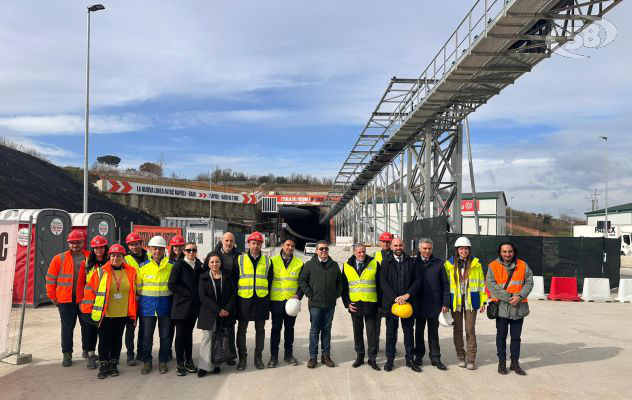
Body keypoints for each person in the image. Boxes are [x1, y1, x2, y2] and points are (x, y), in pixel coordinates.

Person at [81, 244, 138, 379]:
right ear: (109, 257)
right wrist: (87, 311)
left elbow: (134, 293)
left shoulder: (132, 272)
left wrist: (132, 313)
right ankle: (103, 365)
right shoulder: (101, 272)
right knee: (104, 340)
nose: (115, 258)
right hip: (105, 314)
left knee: (117, 340)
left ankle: (113, 364)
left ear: (123, 257)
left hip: (122, 313)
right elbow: (89, 292)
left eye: (119, 255)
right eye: (113, 255)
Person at [487, 242, 533, 376]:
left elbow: (529, 282)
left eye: (510, 251)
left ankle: (515, 363)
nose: (507, 254)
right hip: (501, 308)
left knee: (516, 337)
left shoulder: (523, 265)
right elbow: (491, 285)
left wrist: (519, 296)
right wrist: (510, 297)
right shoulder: (493, 266)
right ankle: (502, 363)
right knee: (501, 337)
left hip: (519, 308)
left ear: (514, 252)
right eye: (504, 251)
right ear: (500, 252)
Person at [46, 229, 90, 367]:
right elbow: (50, 279)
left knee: (87, 326)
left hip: (85, 299)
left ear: (83, 242)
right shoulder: (59, 258)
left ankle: (87, 350)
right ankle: (67, 354)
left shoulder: (90, 256)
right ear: (68, 243)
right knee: (67, 327)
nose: (75, 245)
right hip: (66, 300)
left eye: (78, 242)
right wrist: (52, 296)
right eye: (72, 243)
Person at [444, 237, 487, 370]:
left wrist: (483, 300)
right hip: (455, 301)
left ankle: (471, 359)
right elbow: (445, 285)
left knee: (470, 330)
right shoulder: (449, 265)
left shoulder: (476, 264)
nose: (464, 251)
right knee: (457, 330)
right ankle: (460, 357)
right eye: (461, 248)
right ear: (457, 250)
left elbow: (481, 283)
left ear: (469, 250)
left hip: (471, 300)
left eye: (466, 248)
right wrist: (445, 302)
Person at [380, 237, 422, 372]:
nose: (398, 248)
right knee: (391, 333)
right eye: (395, 246)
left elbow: (417, 281)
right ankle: (390, 360)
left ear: (403, 246)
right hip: (392, 304)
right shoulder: (385, 263)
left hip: (408, 303)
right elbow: (383, 282)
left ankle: (410, 359)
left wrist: (407, 295)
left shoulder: (412, 262)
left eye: (400, 245)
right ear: (391, 247)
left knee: (409, 332)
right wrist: (394, 298)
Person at [299, 240, 342, 369]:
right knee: (314, 331)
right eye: (321, 249)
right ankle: (313, 357)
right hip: (315, 304)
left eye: (326, 249)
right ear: (316, 250)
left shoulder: (334, 265)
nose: (324, 251)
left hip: (330, 304)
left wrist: (337, 293)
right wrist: (309, 294)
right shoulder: (309, 265)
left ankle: (326, 356)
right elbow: (302, 280)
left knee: (327, 330)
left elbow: (340, 281)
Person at [234, 231, 273, 371]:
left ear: (262, 244)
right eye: (253, 243)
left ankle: (258, 357)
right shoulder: (239, 260)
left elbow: (270, 281)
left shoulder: (268, 261)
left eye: (258, 243)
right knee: (241, 331)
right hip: (244, 300)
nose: (255, 246)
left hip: (261, 300)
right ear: (248, 244)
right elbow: (234, 280)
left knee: (260, 331)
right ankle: (242, 358)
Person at [137, 235, 174, 374]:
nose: (157, 251)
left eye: (160, 249)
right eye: (154, 249)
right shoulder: (142, 267)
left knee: (165, 336)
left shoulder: (171, 266)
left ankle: (163, 361)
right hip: (148, 308)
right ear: (149, 250)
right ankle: (147, 362)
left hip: (165, 307)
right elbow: (138, 288)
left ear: (164, 249)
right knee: (147, 337)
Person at [342, 243, 381, 371]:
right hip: (355, 305)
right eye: (359, 252)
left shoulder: (374, 263)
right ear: (354, 252)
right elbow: (344, 287)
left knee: (372, 333)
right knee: (357, 332)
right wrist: (347, 303)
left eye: (363, 251)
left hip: (371, 304)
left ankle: (372, 358)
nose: (362, 254)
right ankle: (360, 357)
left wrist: (380, 305)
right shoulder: (347, 266)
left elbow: (380, 286)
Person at [197, 252, 236, 377]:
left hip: (224, 314)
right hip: (209, 313)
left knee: (219, 339)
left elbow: (232, 295)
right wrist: (218, 309)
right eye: (212, 262)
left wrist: (226, 309)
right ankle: (203, 366)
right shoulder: (203, 277)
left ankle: (216, 364)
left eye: (217, 262)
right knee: (207, 339)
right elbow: (203, 297)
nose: (214, 264)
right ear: (208, 263)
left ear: (221, 263)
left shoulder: (228, 277)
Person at [413, 238, 450, 370]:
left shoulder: (439, 263)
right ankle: (418, 356)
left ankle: (435, 358)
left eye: (429, 249)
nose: (427, 251)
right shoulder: (413, 263)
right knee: (419, 332)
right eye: (424, 248)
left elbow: (445, 285)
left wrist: (445, 303)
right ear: (419, 249)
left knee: (433, 333)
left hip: (435, 305)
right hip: (418, 304)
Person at [268, 237, 303, 367]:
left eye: (292, 246)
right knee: (276, 329)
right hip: (276, 301)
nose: (290, 247)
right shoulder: (273, 261)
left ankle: (288, 355)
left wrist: (298, 295)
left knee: (289, 329)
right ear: (282, 245)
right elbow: (269, 281)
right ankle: (274, 356)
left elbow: (302, 283)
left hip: (292, 303)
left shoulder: (299, 263)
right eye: (287, 245)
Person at [168, 242, 202, 376]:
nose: (191, 252)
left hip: (193, 308)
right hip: (181, 307)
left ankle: (189, 361)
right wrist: (187, 293)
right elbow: (172, 284)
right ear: (184, 252)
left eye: (194, 250)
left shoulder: (199, 266)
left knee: (189, 335)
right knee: (181, 336)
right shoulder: (179, 265)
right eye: (189, 250)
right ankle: (180, 363)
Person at [82, 235, 109, 370]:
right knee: (90, 331)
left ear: (105, 247)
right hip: (90, 302)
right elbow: (82, 282)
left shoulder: (111, 261)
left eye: (101, 247)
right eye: (96, 247)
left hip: (106, 303)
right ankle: (91, 355)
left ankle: (105, 355)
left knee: (104, 331)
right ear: (92, 249)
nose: (99, 250)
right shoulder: (87, 263)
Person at [213, 232, 241, 366]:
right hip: (216, 297)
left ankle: (229, 354)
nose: (229, 243)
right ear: (221, 241)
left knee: (230, 328)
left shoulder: (239, 256)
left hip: (232, 297)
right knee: (216, 328)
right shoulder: (213, 254)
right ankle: (215, 354)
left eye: (231, 241)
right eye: (226, 240)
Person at [123, 232, 148, 366]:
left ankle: (141, 352)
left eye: (136, 244)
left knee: (144, 328)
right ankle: (130, 354)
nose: (134, 247)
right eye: (131, 245)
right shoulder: (125, 259)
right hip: (131, 299)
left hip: (146, 298)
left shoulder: (150, 256)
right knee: (130, 328)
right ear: (128, 246)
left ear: (141, 243)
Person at [167, 234, 186, 361]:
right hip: (169, 298)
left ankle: (181, 351)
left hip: (182, 300)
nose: (178, 248)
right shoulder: (167, 262)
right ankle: (168, 351)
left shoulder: (187, 261)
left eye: (180, 246)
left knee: (181, 329)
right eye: (176, 246)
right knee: (169, 328)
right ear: (172, 247)